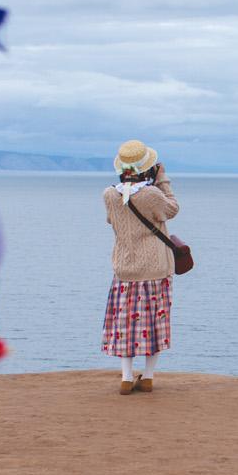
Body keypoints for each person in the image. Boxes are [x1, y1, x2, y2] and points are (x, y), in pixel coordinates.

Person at [101, 140, 178, 394]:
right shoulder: (152, 194)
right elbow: (172, 209)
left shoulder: (109, 194)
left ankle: (126, 377)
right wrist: (162, 179)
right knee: (154, 324)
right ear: (148, 167)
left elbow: (111, 219)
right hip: (154, 269)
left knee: (125, 325)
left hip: (125, 269)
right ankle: (148, 377)